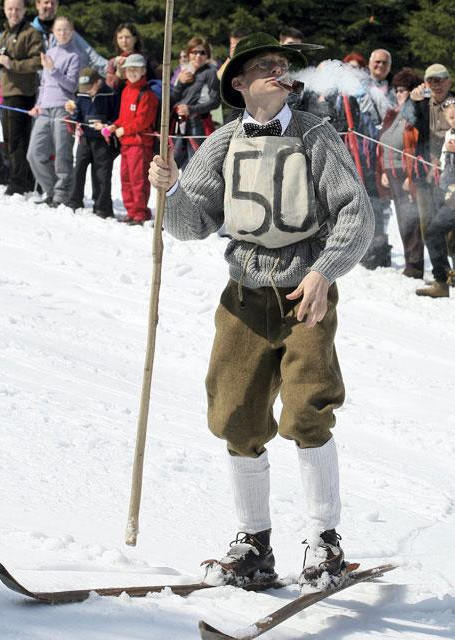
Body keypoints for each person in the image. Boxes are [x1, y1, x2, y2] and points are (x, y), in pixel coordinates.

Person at [149, 33, 374, 586]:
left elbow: (356, 213)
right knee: (235, 417)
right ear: (240, 84)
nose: (278, 71)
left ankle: (324, 543)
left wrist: (324, 272)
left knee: (306, 412)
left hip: (306, 296)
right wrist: (171, 191)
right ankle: (254, 544)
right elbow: (189, 225)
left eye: (282, 65)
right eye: (264, 66)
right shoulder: (224, 141)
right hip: (244, 298)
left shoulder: (314, 135)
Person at [27, 15, 80, 207]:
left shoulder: (74, 55)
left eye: (66, 30)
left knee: (62, 153)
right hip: (45, 109)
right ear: (53, 32)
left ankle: (61, 195)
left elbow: (72, 85)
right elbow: (44, 84)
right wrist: (38, 104)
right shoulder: (50, 51)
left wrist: (53, 69)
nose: (62, 33)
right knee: (34, 153)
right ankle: (50, 190)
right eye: (59, 30)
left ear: (72, 32)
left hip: (62, 109)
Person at [378, 68, 424, 278]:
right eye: (397, 90)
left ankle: (414, 267)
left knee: (411, 220)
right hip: (392, 171)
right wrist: (384, 170)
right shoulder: (394, 113)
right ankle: (409, 262)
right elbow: (384, 143)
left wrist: (410, 176)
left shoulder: (415, 112)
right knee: (403, 220)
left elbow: (416, 145)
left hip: (406, 172)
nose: (399, 94)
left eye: (403, 90)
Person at [102, 53, 158, 225]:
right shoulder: (126, 89)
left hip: (139, 144)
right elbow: (124, 116)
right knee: (125, 178)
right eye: (129, 69)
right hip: (126, 143)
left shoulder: (147, 94)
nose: (132, 73)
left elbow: (143, 121)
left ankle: (140, 213)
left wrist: (124, 130)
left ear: (143, 71)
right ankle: (131, 211)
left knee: (138, 179)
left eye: (136, 69)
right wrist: (114, 125)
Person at [403, 64, 454, 242]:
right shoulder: (421, 103)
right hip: (425, 172)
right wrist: (412, 100)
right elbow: (407, 116)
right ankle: (440, 270)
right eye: (430, 81)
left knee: (450, 225)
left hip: (451, 174)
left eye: (439, 80)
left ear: (448, 82)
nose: (435, 84)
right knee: (427, 223)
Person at [357, 48, 396, 270]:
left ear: (389, 67)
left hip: (387, 153)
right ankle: (367, 247)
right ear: (370, 64)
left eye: (384, 63)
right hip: (363, 153)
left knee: (384, 201)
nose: (380, 66)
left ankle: (381, 246)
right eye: (377, 62)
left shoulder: (395, 91)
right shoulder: (358, 88)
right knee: (366, 200)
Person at [0, 0, 43, 195]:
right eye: (10, 9)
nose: (13, 12)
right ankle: (15, 175)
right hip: (6, 91)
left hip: (22, 92)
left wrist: (12, 64)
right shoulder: (6, 33)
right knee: (9, 138)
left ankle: (20, 182)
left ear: (25, 10)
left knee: (19, 139)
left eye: (17, 9)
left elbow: (37, 62)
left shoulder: (30, 33)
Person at [65, 67, 118, 217]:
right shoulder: (81, 95)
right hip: (85, 139)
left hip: (103, 140)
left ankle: (102, 207)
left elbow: (116, 116)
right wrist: (72, 112)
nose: (88, 91)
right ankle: (74, 201)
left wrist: (106, 124)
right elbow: (77, 117)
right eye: (85, 89)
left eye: (90, 88)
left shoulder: (110, 95)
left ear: (98, 82)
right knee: (79, 169)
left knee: (102, 173)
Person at [416, 98, 455, 298]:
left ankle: (443, 280)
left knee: (433, 233)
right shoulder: (449, 134)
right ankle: (444, 279)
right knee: (436, 233)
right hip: (447, 193)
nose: (453, 120)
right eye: (451, 117)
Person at [171, 36, 220, 169]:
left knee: (196, 165)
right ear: (188, 54)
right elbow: (172, 99)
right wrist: (180, 83)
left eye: (202, 52)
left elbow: (215, 102)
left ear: (207, 55)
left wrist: (191, 109)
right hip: (180, 123)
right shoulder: (183, 72)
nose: (198, 56)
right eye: (194, 52)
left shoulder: (211, 73)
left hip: (198, 124)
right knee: (176, 165)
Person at [31, 0, 107, 74]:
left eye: (53, 3)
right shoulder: (29, 33)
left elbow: (91, 56)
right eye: (46, 2)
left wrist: (111, 67)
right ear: (37, 4)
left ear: (57, 5)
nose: (50, 6)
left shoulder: (67, 32)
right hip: (34, 85)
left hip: (62, 84)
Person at [105, 22, 156, 92]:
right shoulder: (113, 62)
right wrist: (118, 75)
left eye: (127, 37)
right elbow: (109, 89)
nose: (124, 41)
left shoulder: (146, 59)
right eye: (120, 38)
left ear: (135, 39)